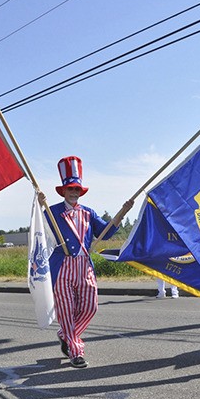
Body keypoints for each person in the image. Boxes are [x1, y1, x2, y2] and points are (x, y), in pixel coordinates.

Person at [39, 156, 133, 369]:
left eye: (77, 189)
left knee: (91, 307)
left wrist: (123, 212)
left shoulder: (88, 213)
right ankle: (75, 351)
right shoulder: (52, 212)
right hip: (61, 267)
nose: (74, 193)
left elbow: (106, 232)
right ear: (63, 191)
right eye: (70, 189)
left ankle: (65, 334)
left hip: (84, 266)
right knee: (66, 310)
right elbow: (40, 231)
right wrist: (39, 204)